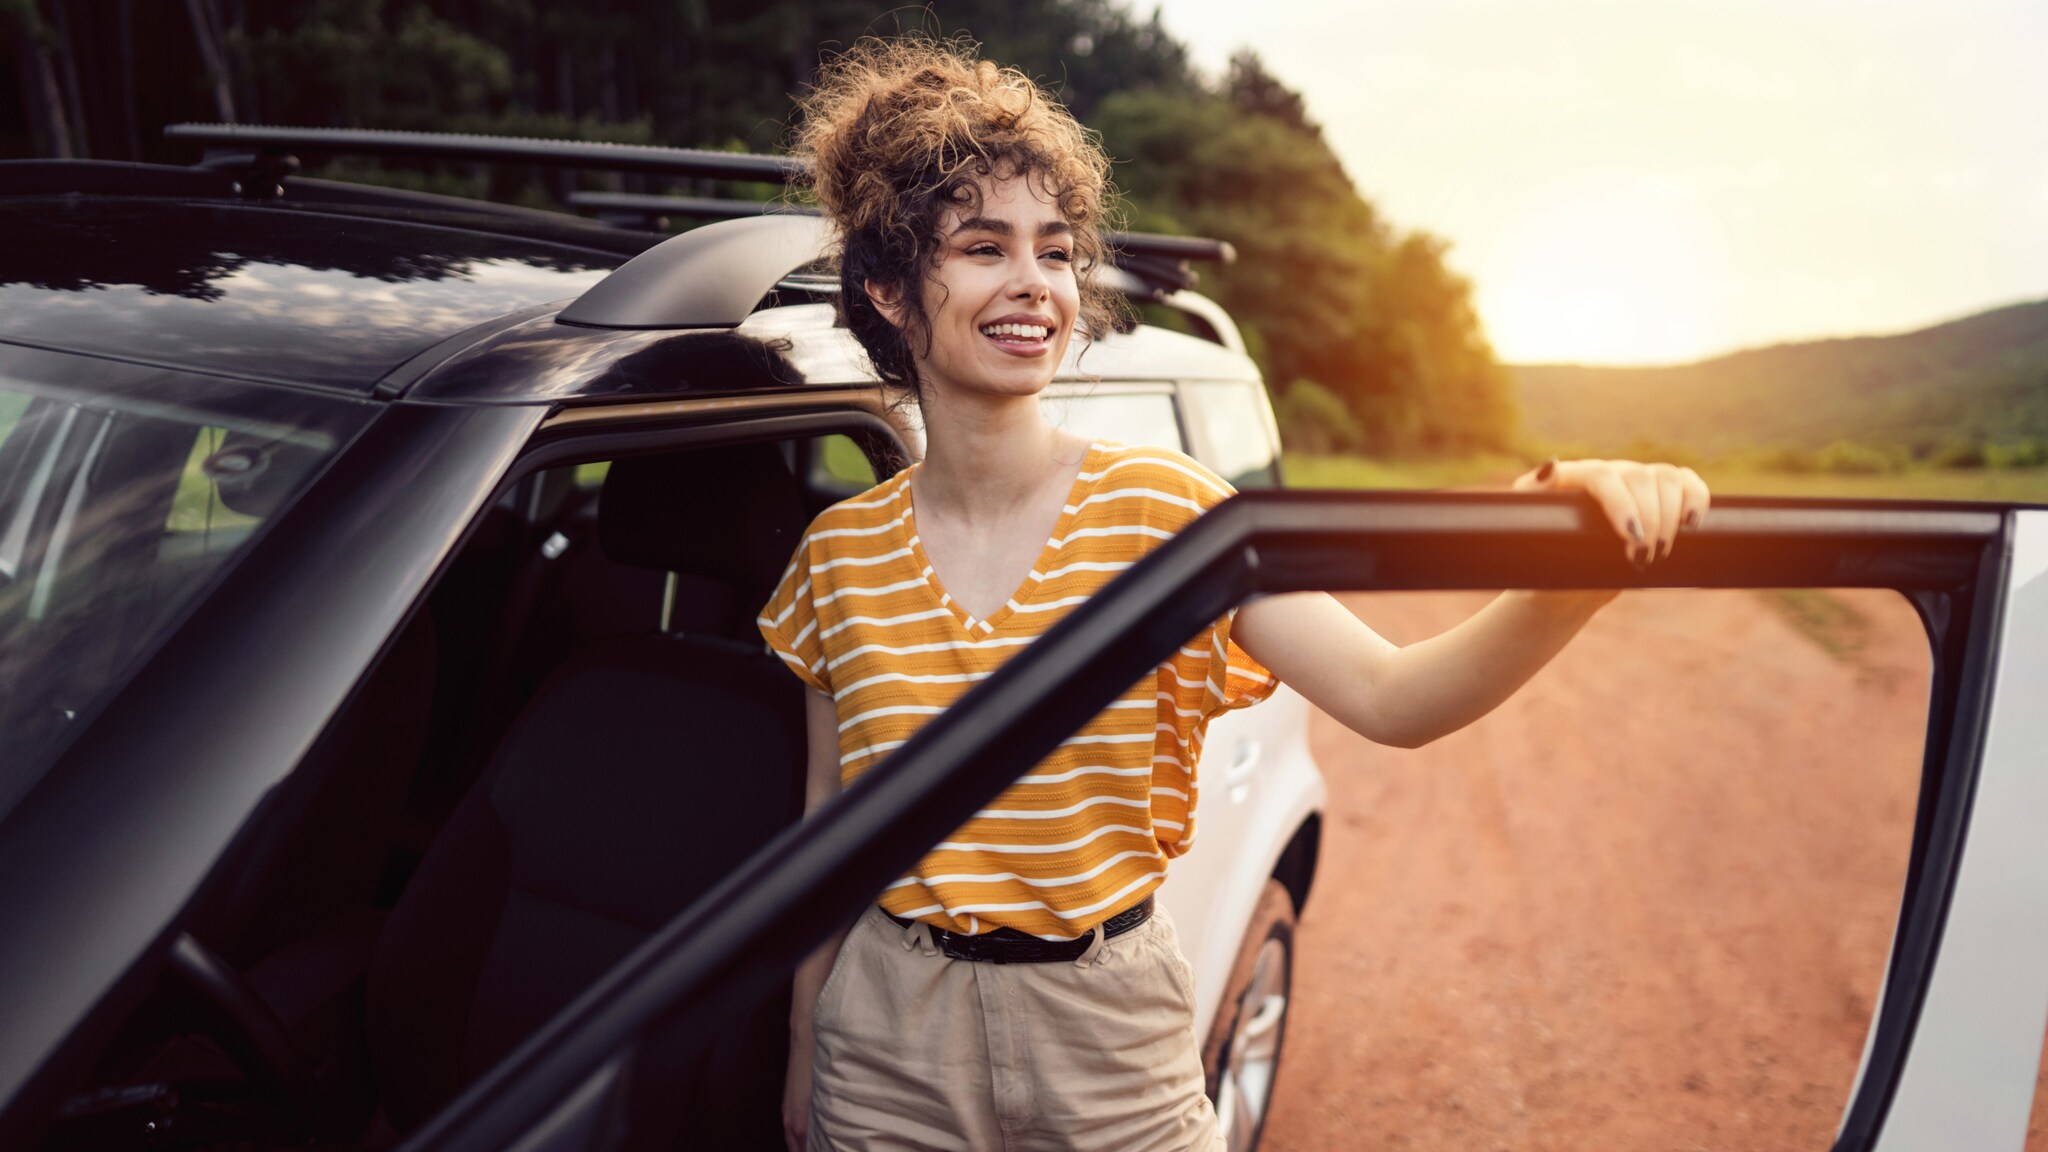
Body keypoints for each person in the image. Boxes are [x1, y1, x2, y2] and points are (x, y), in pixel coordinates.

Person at [758, 36, 1710, 1152]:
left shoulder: (1170, 513)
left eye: (1055, 251)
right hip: (885, 1036)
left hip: (1107, 1032)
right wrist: (806, 1044)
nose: (1035, 283)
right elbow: (827, 828)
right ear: (887, 288)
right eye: (982, 247)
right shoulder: (840, 551)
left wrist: (1567, 580)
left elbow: (1392, 696)